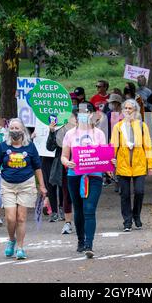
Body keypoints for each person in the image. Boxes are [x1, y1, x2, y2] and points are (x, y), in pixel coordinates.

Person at [0, 118, 47, 260]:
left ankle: (20, 247)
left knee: (21, 218)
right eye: (12, 128)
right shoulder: (3, 147)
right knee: (10, 218)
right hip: (7, 185)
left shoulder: (30, 147)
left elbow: (37, 167)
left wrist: (42, 186)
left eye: (17, 128)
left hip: (26, 184)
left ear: (23, 130)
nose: (15, 131)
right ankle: (11, 239)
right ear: (9, 130)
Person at [61, 103, 107, 259]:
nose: (84, 115)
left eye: (87, 112)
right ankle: (80, 240)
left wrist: (110, 161)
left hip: (94, 175)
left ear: (92, 114)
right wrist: (67, 163)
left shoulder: (99, 134)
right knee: (79, 209)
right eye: (80, 112)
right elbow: (64, 156)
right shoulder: (70, 134)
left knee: (89, 208)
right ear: (76, 115)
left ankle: (89, 244)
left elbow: (104, 155)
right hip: (74, 175)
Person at [110, 99, 152, 232]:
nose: (128, 111)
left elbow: (148, 146)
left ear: (135, 111)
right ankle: (127, 221)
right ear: (122, 111)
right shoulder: (118, 127)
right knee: (125, 194)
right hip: (123, 165)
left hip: (139, 165)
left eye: (130, 109)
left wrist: (150, 165)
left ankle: (136, 215)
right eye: (126, 109)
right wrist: (111, 164)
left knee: (140, 192)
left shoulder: (142, 126)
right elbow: (113, 147)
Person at [47, 112, 77, 235]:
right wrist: (52, 131)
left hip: (82, 164)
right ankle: (68, 223)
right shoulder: (59, 131)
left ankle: (84, 219)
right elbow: (50, 147)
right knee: (66, 194)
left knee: (82, 194)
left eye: (72, 119)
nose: (69, 122)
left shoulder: (83, 132)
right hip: (64, 166)